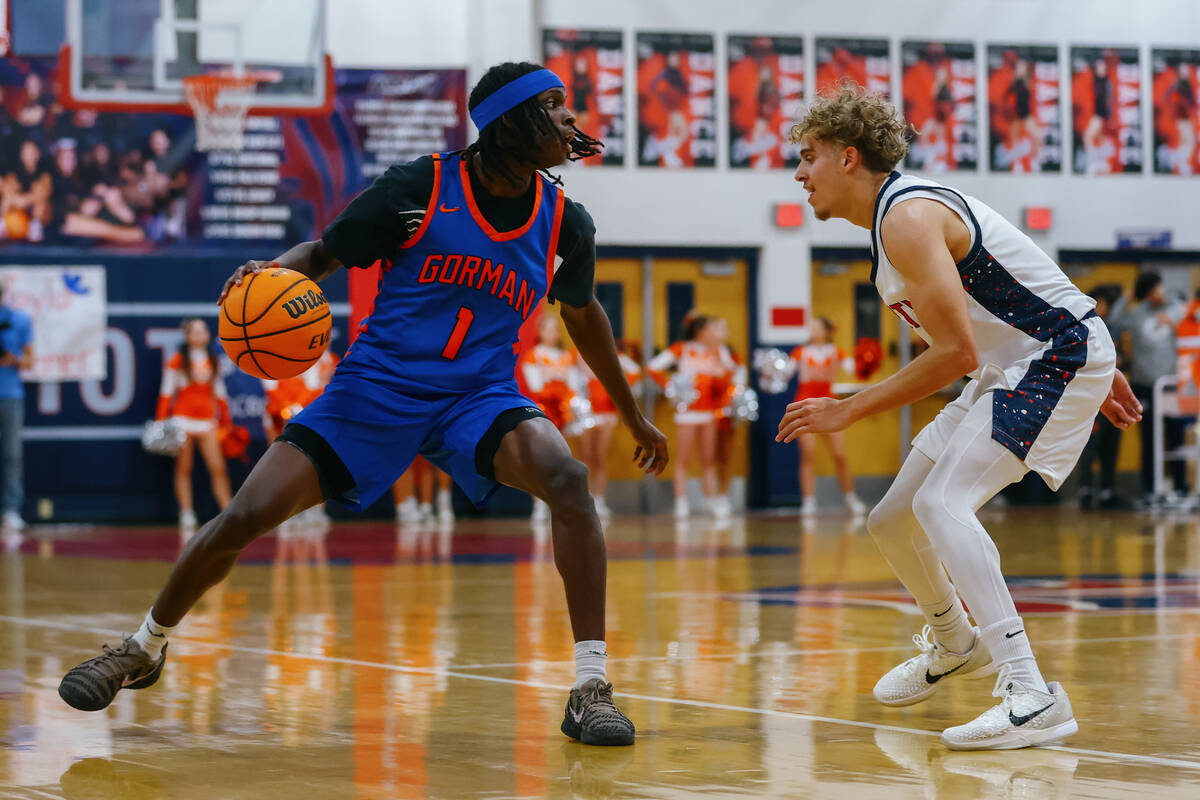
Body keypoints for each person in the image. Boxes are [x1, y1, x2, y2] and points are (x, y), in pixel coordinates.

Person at [58, 62, 668, 748]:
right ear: (509, 123)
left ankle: (590, 687)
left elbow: (583, 315)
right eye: (553, 105)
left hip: (478, 394)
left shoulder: (565, 220)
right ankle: (142, 647)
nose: (568, 118)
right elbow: (322, 255)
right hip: (375, 390)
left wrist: (631, 411)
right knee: (246, 515)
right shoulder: (419, 188)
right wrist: (271, 277)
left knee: (567, 479)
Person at [778, 85, 1141, 750]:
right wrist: (1098, 350)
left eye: (808, 156)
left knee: (945, 504)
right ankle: (953, 640)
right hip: (1021, 362)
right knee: (891, 519)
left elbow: (955, 352)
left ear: (849, 157)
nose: (798, 173)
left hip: (1048, 358)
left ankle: (1031, 694)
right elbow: (1019, 279)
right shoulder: (898, 218)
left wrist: (848, 409)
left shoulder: (907, 218)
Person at [648, 313, 735, 520]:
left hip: (708, 411)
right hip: (686, 412)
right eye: (710, 329)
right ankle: (681, 502)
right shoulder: (682, 348)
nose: (714, 333)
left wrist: (720, 373)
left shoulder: (719, 351)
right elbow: (652, 367)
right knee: (682, 460)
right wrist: (671, 387)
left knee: (708, 459)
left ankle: (711, 501)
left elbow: (731, 374)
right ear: (700, 331)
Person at [1114, 272, 1187, 503]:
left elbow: (1190, 315)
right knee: (1149, 439)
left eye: (1160, 288)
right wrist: (1127, 297)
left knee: (1176, 437)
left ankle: (1180, 487)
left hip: (1171, 386)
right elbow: (1115, 322)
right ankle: (1150, 490)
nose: (1159, 294)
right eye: (1154, 290)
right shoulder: (1137, 315)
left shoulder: (1176, 307)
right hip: (1144, 386)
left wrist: (1176, 316)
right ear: (1146, 293)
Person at [156, 319, 233, 532]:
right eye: (195, 332)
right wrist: (161, 422)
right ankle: (187, 512)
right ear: (187, 336)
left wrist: (226, 422)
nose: (199, 336)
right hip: (182, 421)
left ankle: (227, 510)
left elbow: (220, 393)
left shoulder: (213, 360)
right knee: (184, 468)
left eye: (203, 331)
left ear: (207, 335)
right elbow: (166, 393)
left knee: (218, 467)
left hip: (207, 422)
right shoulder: (178, 361)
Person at [786, 317, 866, 516]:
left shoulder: (836, 351)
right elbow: (785, 374)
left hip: (830, 406)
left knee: (839, 455)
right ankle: (809, 500)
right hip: (804, 405)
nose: (811, 330)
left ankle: (850, 497)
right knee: (808, 454)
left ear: (826, 330)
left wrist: (865, 358)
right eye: (809, 327)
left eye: (816, 326)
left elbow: (854, 369)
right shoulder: (800, 352)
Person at [517, 314, 580, 522]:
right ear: (541, 331)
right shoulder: (534, 355)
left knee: (562, 458)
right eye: (549, 328)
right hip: (542, 412)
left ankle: (559, 501)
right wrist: (556, 388)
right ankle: (538, 506)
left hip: (563, 413)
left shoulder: (566, 356)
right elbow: (536, 387)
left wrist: (564, 394)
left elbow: (573, 386)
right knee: (540, 459)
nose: (553, 333)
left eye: (555, 329)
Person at [574, 338, 641, 519]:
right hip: (585, 415)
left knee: (600, 458)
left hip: (606, 415)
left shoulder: (611, 353)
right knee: (585, 458)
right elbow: (569, 379)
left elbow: (635, 370)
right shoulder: (575, 354)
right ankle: (583, 500)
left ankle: (599, 500)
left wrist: (619, 389)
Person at [1076, 287, 1128, 509]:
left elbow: (1123, 358)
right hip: (1091, 397)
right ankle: (1085, 491)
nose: (1104, 308)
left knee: (1111, 445)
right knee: (1089, 447)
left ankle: (1107, 491)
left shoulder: (1114, 330)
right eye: (1101, 302)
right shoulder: (1082, 328)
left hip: (1114, 396)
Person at [0, 285, 32, 533]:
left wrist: (13, 359)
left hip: (10, 396)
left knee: (11, 454)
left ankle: (11, 511)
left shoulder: (20, 320)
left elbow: (30, 360)